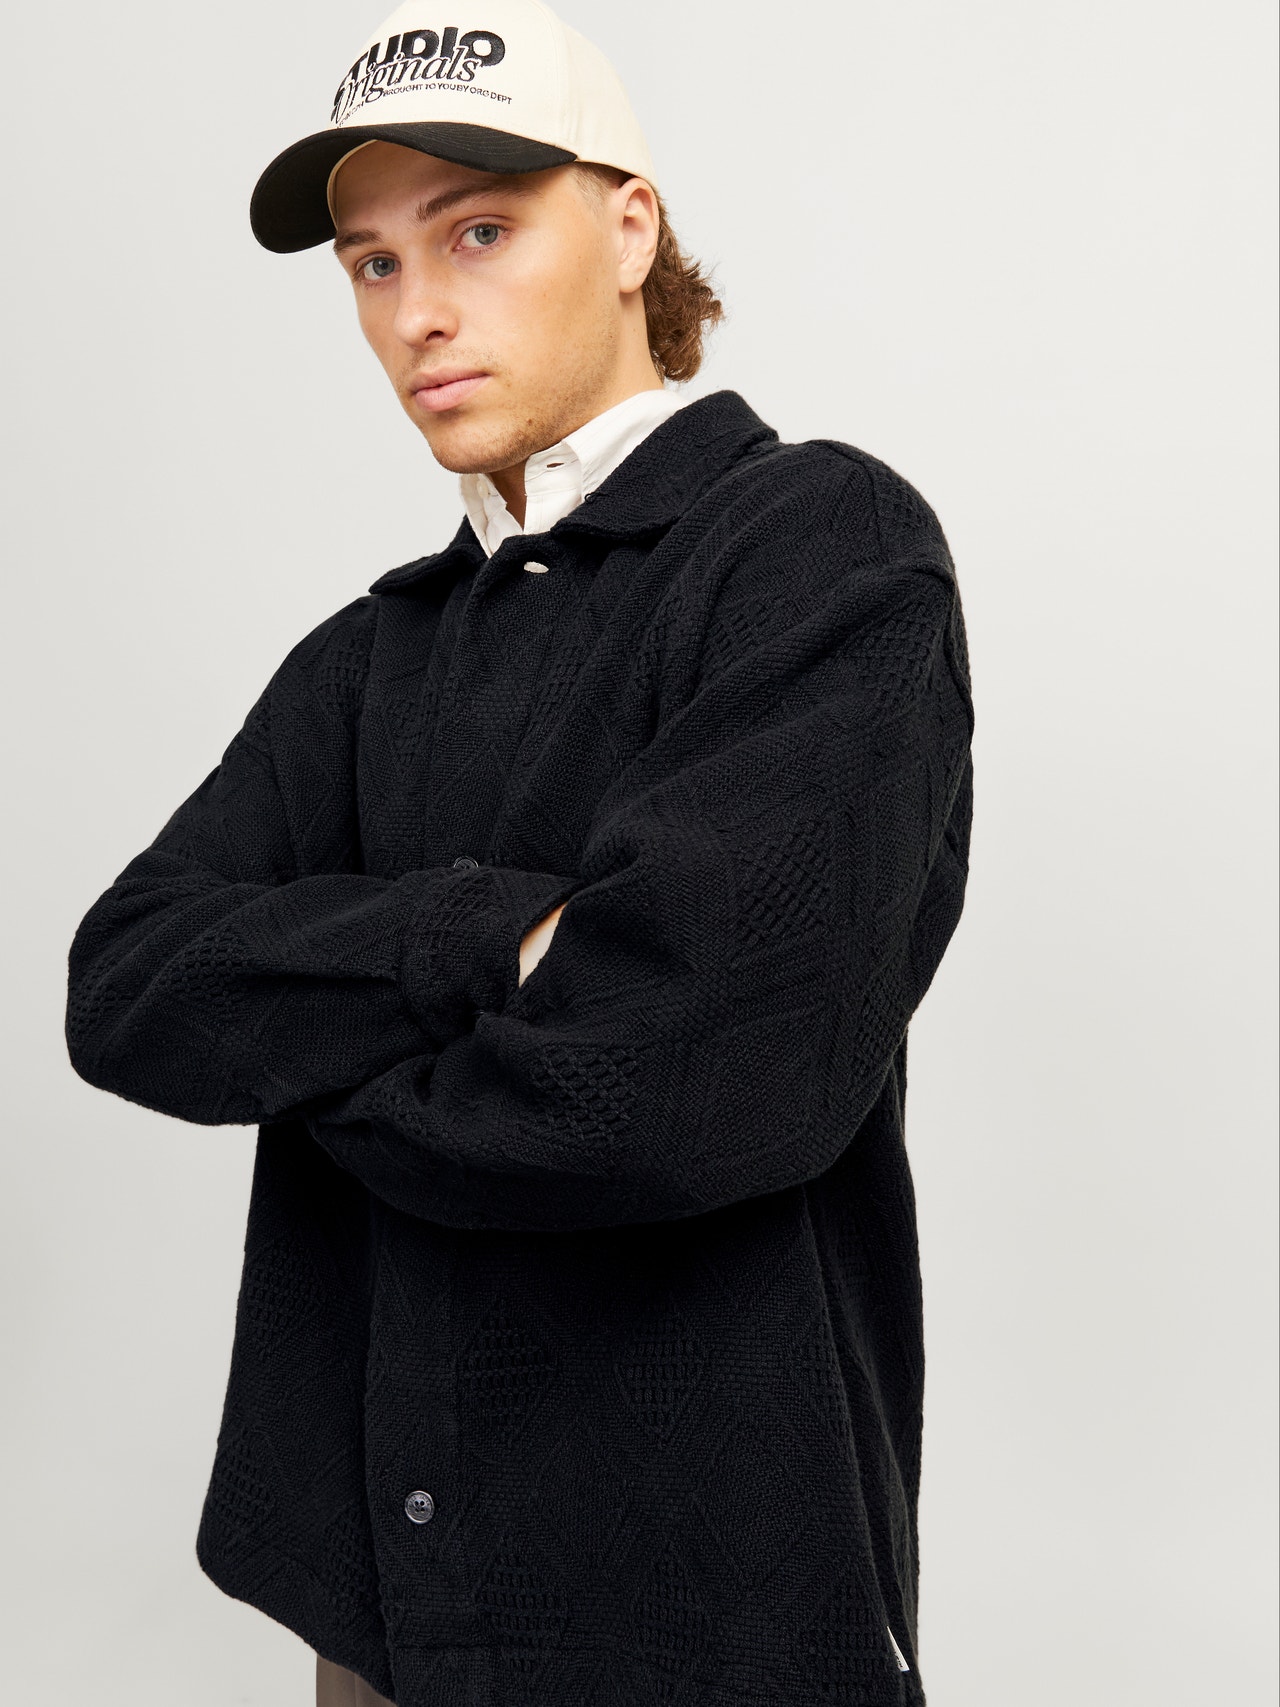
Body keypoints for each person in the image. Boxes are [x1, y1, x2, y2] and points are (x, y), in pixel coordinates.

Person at [63, 0, 975, 1702]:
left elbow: (687, 1075)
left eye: (477, 232)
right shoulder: (369, 656)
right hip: (383, 1620)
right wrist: (489, 944)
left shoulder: (819, 549)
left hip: (704, 1604)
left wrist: (319, 1062)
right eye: (371, 262)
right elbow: (125, 987)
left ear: (628, 229)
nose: (415, 310)